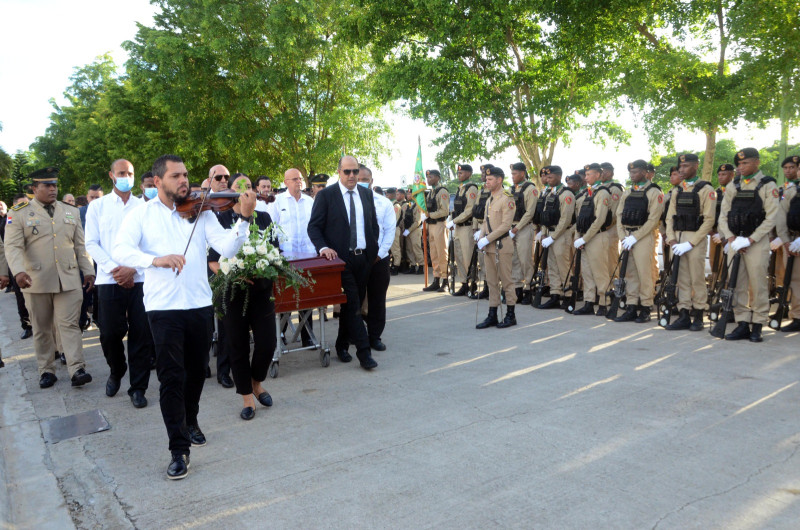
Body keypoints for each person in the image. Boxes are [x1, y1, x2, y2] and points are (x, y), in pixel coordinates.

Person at [113, 154, 257, 480]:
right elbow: (120, 250)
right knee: (170, 378)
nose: (184, 181)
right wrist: (155, 260)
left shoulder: (201, 211)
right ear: (159, 180)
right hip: (163, 309)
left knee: (195, 373)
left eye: (186, 175)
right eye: (176, 176)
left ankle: (190, 420)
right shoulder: (142, 214)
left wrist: (244, 220)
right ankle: (178, 449)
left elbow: (227, 249)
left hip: (199, 304)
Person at [4, 167, 95, 389]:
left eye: (55, 185)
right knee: (42, 327)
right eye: (47, 185)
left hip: (69, 278)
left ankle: (77, 369)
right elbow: (12, 247)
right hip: (35, 280)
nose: (53, 189)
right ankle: (46, 370)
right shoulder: (18, 213)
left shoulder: (70, 211)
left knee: (70, 325)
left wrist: (89, 269)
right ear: (35, 189)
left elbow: (80, 245)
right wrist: (18, 272)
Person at [85, 159, 153, 409]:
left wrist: (132, 268)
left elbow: (151, 244)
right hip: (109, 278)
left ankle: (138, 387)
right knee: (110, 333)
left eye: (130, 173)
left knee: (141, 335)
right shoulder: (98, 207)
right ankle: (116, 369)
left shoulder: (145, 207)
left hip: (141, 279)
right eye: (122, 173)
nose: (127, 176)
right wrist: (115, 269)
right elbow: (91, 242)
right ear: (112, 175)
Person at [209, 174, 276, 421]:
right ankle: (247, 396)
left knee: (268, 343)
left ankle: (257, 382)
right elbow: (213, 261)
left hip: (262, 290)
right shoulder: (220, 219)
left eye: (250, 186)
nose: (247, 190)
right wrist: (234, 274)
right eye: (241, 186)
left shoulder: (265, 217)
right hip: (233, 292)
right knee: (237, 346)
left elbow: (275, 250)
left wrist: (267, 266)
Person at [307, 155, 379, 370]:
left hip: (364, 259)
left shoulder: (366, 194)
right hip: (341, 260)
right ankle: (364, 353)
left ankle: (341, 345)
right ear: (339, 172)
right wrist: (324, 248)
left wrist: (372, 250)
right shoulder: (327, 195)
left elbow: (372, 225)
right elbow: (314, 227)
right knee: (354, 304)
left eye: (355, 171)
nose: (351, 175)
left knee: (350, 305)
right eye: (347, 171)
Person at [717, 148, 779, 342]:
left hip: (756, 243)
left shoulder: (767, 185)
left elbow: (772, 217)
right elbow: (723, 216)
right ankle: (742, 323)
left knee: (758, 284)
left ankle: (758, 324)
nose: (741, 167)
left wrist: (751, 239)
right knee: (737, 284)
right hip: (736, 242)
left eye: (745, 163)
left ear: (757, 163)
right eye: (739, 164)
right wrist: (731, 238)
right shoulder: (734, 186)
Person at [664, 153, 716, 331]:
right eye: (680, 167)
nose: (682, 170)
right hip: (677, 240)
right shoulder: (678, 190)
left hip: (695, 239)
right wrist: (671, 239)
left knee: (697, 278)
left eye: (685, 166)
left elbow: (709, 220)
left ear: (696, 166)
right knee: (681, 279)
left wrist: (691, 243)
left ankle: (699, 315)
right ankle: (684, 313)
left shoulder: (706, 189)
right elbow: (670, 217)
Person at [613, 160, 665, 323]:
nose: (632, 175)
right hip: (627, 236)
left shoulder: (654, 192)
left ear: (644, 172)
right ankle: (631, 305)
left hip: (643, 237)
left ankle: (646, 307)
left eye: (635, 172)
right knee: (630, 274)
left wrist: (635, 237)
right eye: (630, 173)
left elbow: (653, 220)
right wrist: (623, 236)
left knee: (645, 274)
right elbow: (619, 215)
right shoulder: (628, 192)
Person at [270, 168, 316, 347]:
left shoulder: (310, 202)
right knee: (285, 298)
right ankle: (280, 334)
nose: (299, 182)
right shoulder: (276, 201)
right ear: (285, 182)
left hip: (308, 256)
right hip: (285, 258)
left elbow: (315, 226)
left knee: (307, 296)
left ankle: (307, 337)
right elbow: (271, 229)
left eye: (300, 179)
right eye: (294, 179)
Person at [358, 166, 395, 350]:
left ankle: (375, 337)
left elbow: (389, 232)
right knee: (354, 299)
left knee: (377, 299)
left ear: (372, 181)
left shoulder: (384, 203)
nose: (362, 182)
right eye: (359, 179)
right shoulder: (349, 202)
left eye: (366, 179)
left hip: (378, 260)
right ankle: (354, 335)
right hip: (356, 258)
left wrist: (379, 255)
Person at [475, 166, 517, 328]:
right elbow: (486, 222)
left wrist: (487, 239)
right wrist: (481, 237)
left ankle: (510, 314)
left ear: (499, 180)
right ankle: (492, 313)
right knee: (491, 281)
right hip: (489, 246)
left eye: (490, 179)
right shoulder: (489, 199)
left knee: (506, 282)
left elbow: (506, 225)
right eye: (486, 179)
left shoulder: (507, 198)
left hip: (502, 246)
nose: (487, 182)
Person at [573, 163, 613, 316]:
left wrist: (585, 239)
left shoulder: (602, 193)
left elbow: (600, 219)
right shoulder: (586, 193)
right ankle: (589, 303)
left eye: (589, 174)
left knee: (600, 272)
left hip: (596, 237)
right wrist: (578, 237)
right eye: (586, 174)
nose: (586, 177)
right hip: (584, 237)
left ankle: (603, 303)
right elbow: (581, 218)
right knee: (587, 272)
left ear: (598, 175)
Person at [537, 166, 575, 309]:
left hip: (560, 235)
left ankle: (568, 295)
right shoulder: (550, 193)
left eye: (550, 177)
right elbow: (545, 216)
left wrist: (552, 237)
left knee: (563, 267)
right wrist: (544, 232)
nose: (547, 180)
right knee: (552, 267)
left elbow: (565, 220)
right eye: (546, 177)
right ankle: (555, 294)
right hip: (550, 235)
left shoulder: (566, 194)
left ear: (559, 177)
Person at [446, 164, 479, 296]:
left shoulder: (471, 188)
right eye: (458, 173)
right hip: (458, 227)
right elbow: (457, 209)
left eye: (462, 172)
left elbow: (469, 210)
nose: (459, 174)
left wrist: (455, 220)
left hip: (466, 227)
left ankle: (472, 283)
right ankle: (464, 283)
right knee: (458, 256)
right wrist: (452, 219)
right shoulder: (460, 189)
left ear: (469, 174)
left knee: (467, 257)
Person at [508, 162, 538, 305]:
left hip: (524, 228)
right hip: (511, 228)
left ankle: (528, 289)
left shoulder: (530, 189)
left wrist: (516, 229)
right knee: (514, 260)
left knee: (525, 259)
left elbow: (530, 212)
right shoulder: (511, 189)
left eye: (514, 174)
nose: (512, 176)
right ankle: (517, 288)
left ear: (522, 173)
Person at [777, 155, 800, 331]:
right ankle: (797, 315)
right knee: (793, 279)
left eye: (794, 167)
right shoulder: (792, 191)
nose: (791, 171)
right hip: (792, 242)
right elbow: (781, 217)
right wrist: (785, 241)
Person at [7, 194, 33, 338]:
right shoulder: (9, 219)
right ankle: (27, 325)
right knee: (21, 298)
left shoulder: (34, 217)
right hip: (17, 266)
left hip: (34, 266)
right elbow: (7, 247)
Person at [422, 169, 450, 292]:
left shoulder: (442, 192)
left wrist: (429, 215)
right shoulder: (430, 193)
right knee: (433, 254)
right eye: (427, 177)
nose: (428, 179)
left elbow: (444, 211)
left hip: (439, 224)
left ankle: (445, 280)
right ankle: (436, 279)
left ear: (438, 178)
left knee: (442, 253)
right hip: (431, 225)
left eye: (431, 177)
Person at [472, 165, 493, 299]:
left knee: (491, 260)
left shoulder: (495, 191)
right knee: (482, 260)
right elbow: (475, 210)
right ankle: (486, 286)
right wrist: (475, 228)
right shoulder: (481, 191)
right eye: (482, 173)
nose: (483, 176)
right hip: (480, 227)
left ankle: (492, 287)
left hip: (491, 228)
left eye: (485, 174)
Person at [600, 162, 624, 278]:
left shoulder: (615, 189)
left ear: (609, 173)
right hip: (599, 229)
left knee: (611, 259)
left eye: (602, 172)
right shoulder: (599, 188)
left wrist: (601, 227)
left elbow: (614, 215)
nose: (599, 174)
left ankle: (613, 286)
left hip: (610, 229)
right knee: (601, 260)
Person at [401, 187, 423, 274]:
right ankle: (413, 265)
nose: (408, 195)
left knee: (416, 248)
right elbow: (404, 218)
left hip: (414, 230)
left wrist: (409, 230)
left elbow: (418, 221)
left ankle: (421, 266)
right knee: (409, 249)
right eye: (408, 194)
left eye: (410, 194)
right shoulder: (407, 205)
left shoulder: (418, 205)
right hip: (407, 230)